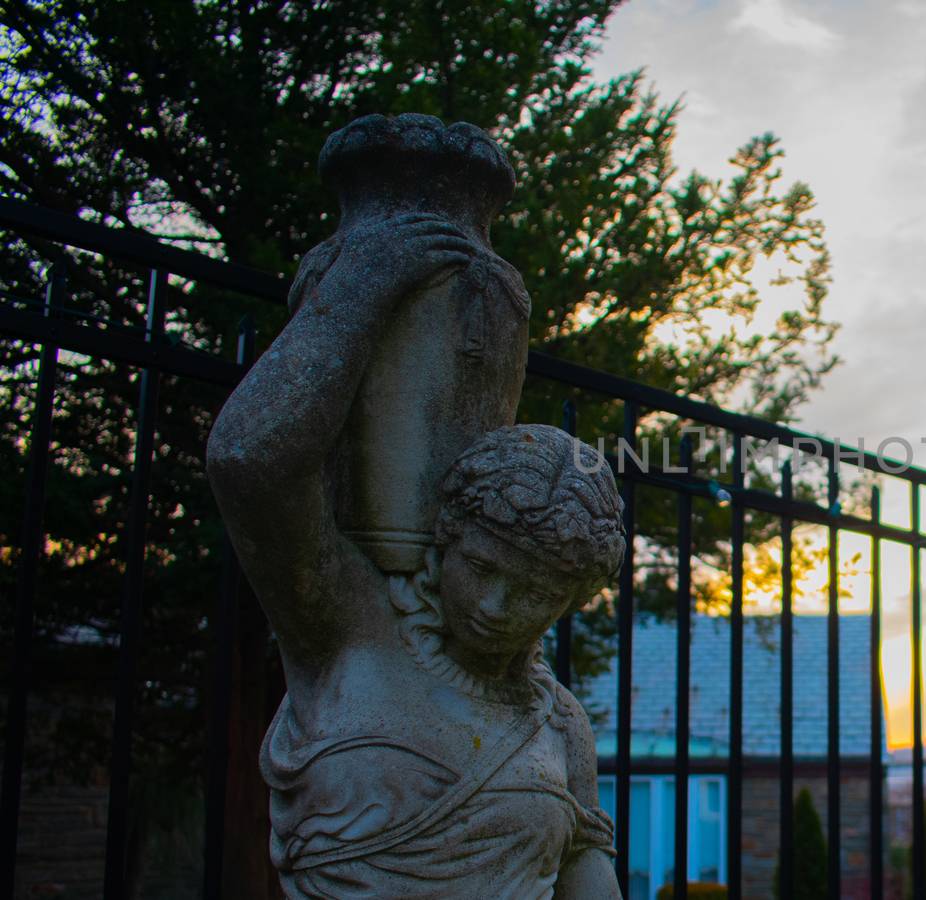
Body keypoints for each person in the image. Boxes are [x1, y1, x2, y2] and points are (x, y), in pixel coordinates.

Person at [207, 211, 625, 898]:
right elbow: (250, 463)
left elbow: (588, 874)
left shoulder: (557, 720)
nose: (495, 607)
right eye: (483, 569)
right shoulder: (350, 631)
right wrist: (358, 290)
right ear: (446, 537)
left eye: (535, 594)